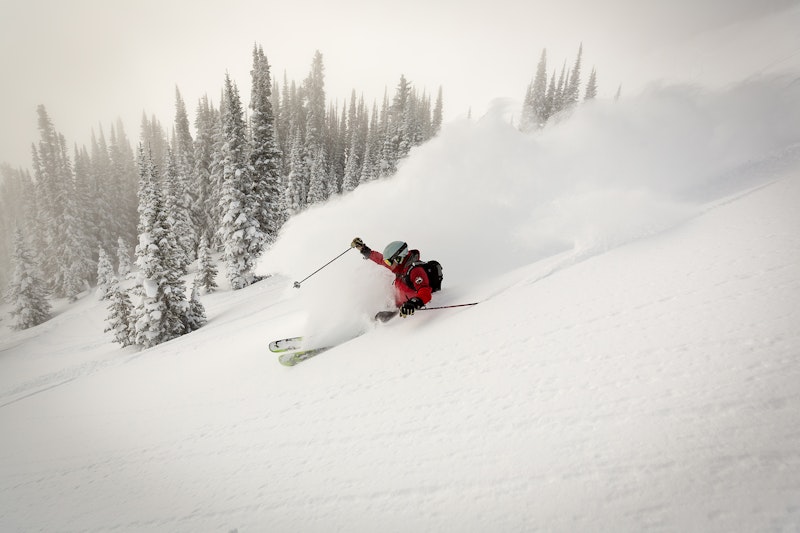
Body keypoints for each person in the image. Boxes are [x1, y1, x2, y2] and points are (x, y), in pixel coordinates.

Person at [351, 237, 432, 317]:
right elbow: (379, 259)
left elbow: (425, 291)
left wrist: (413, 303)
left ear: (399, 258)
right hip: (399, 307)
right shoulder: (399, 267)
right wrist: (363, 249)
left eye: (389, 262)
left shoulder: (415, 271)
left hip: (412, 309)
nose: (387, 264)